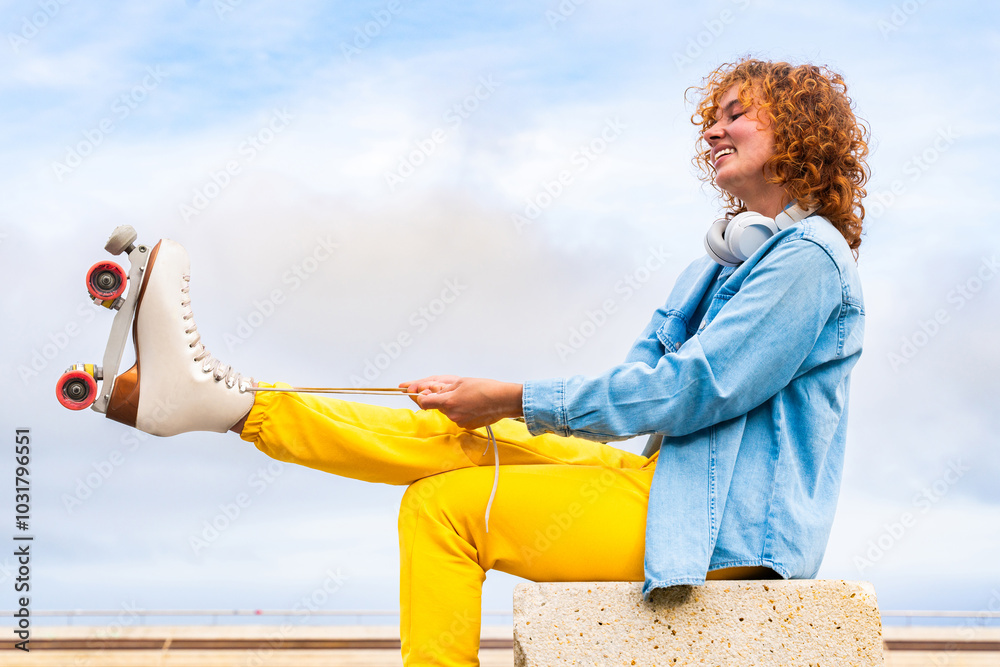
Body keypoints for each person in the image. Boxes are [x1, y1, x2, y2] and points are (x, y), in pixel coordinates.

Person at [92, 58, 869, 666]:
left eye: (736, 115)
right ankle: (224, 403)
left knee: (444, 507)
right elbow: (644, 375)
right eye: (710, 119)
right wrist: (494, 406)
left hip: (722, 537)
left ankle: (218, 403)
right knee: (454, 439)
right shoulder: (720, 266)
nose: (712, 132)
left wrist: (514, 395)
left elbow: (694, 389)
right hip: (664, 490)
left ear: (801, 132)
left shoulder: (810, 259)